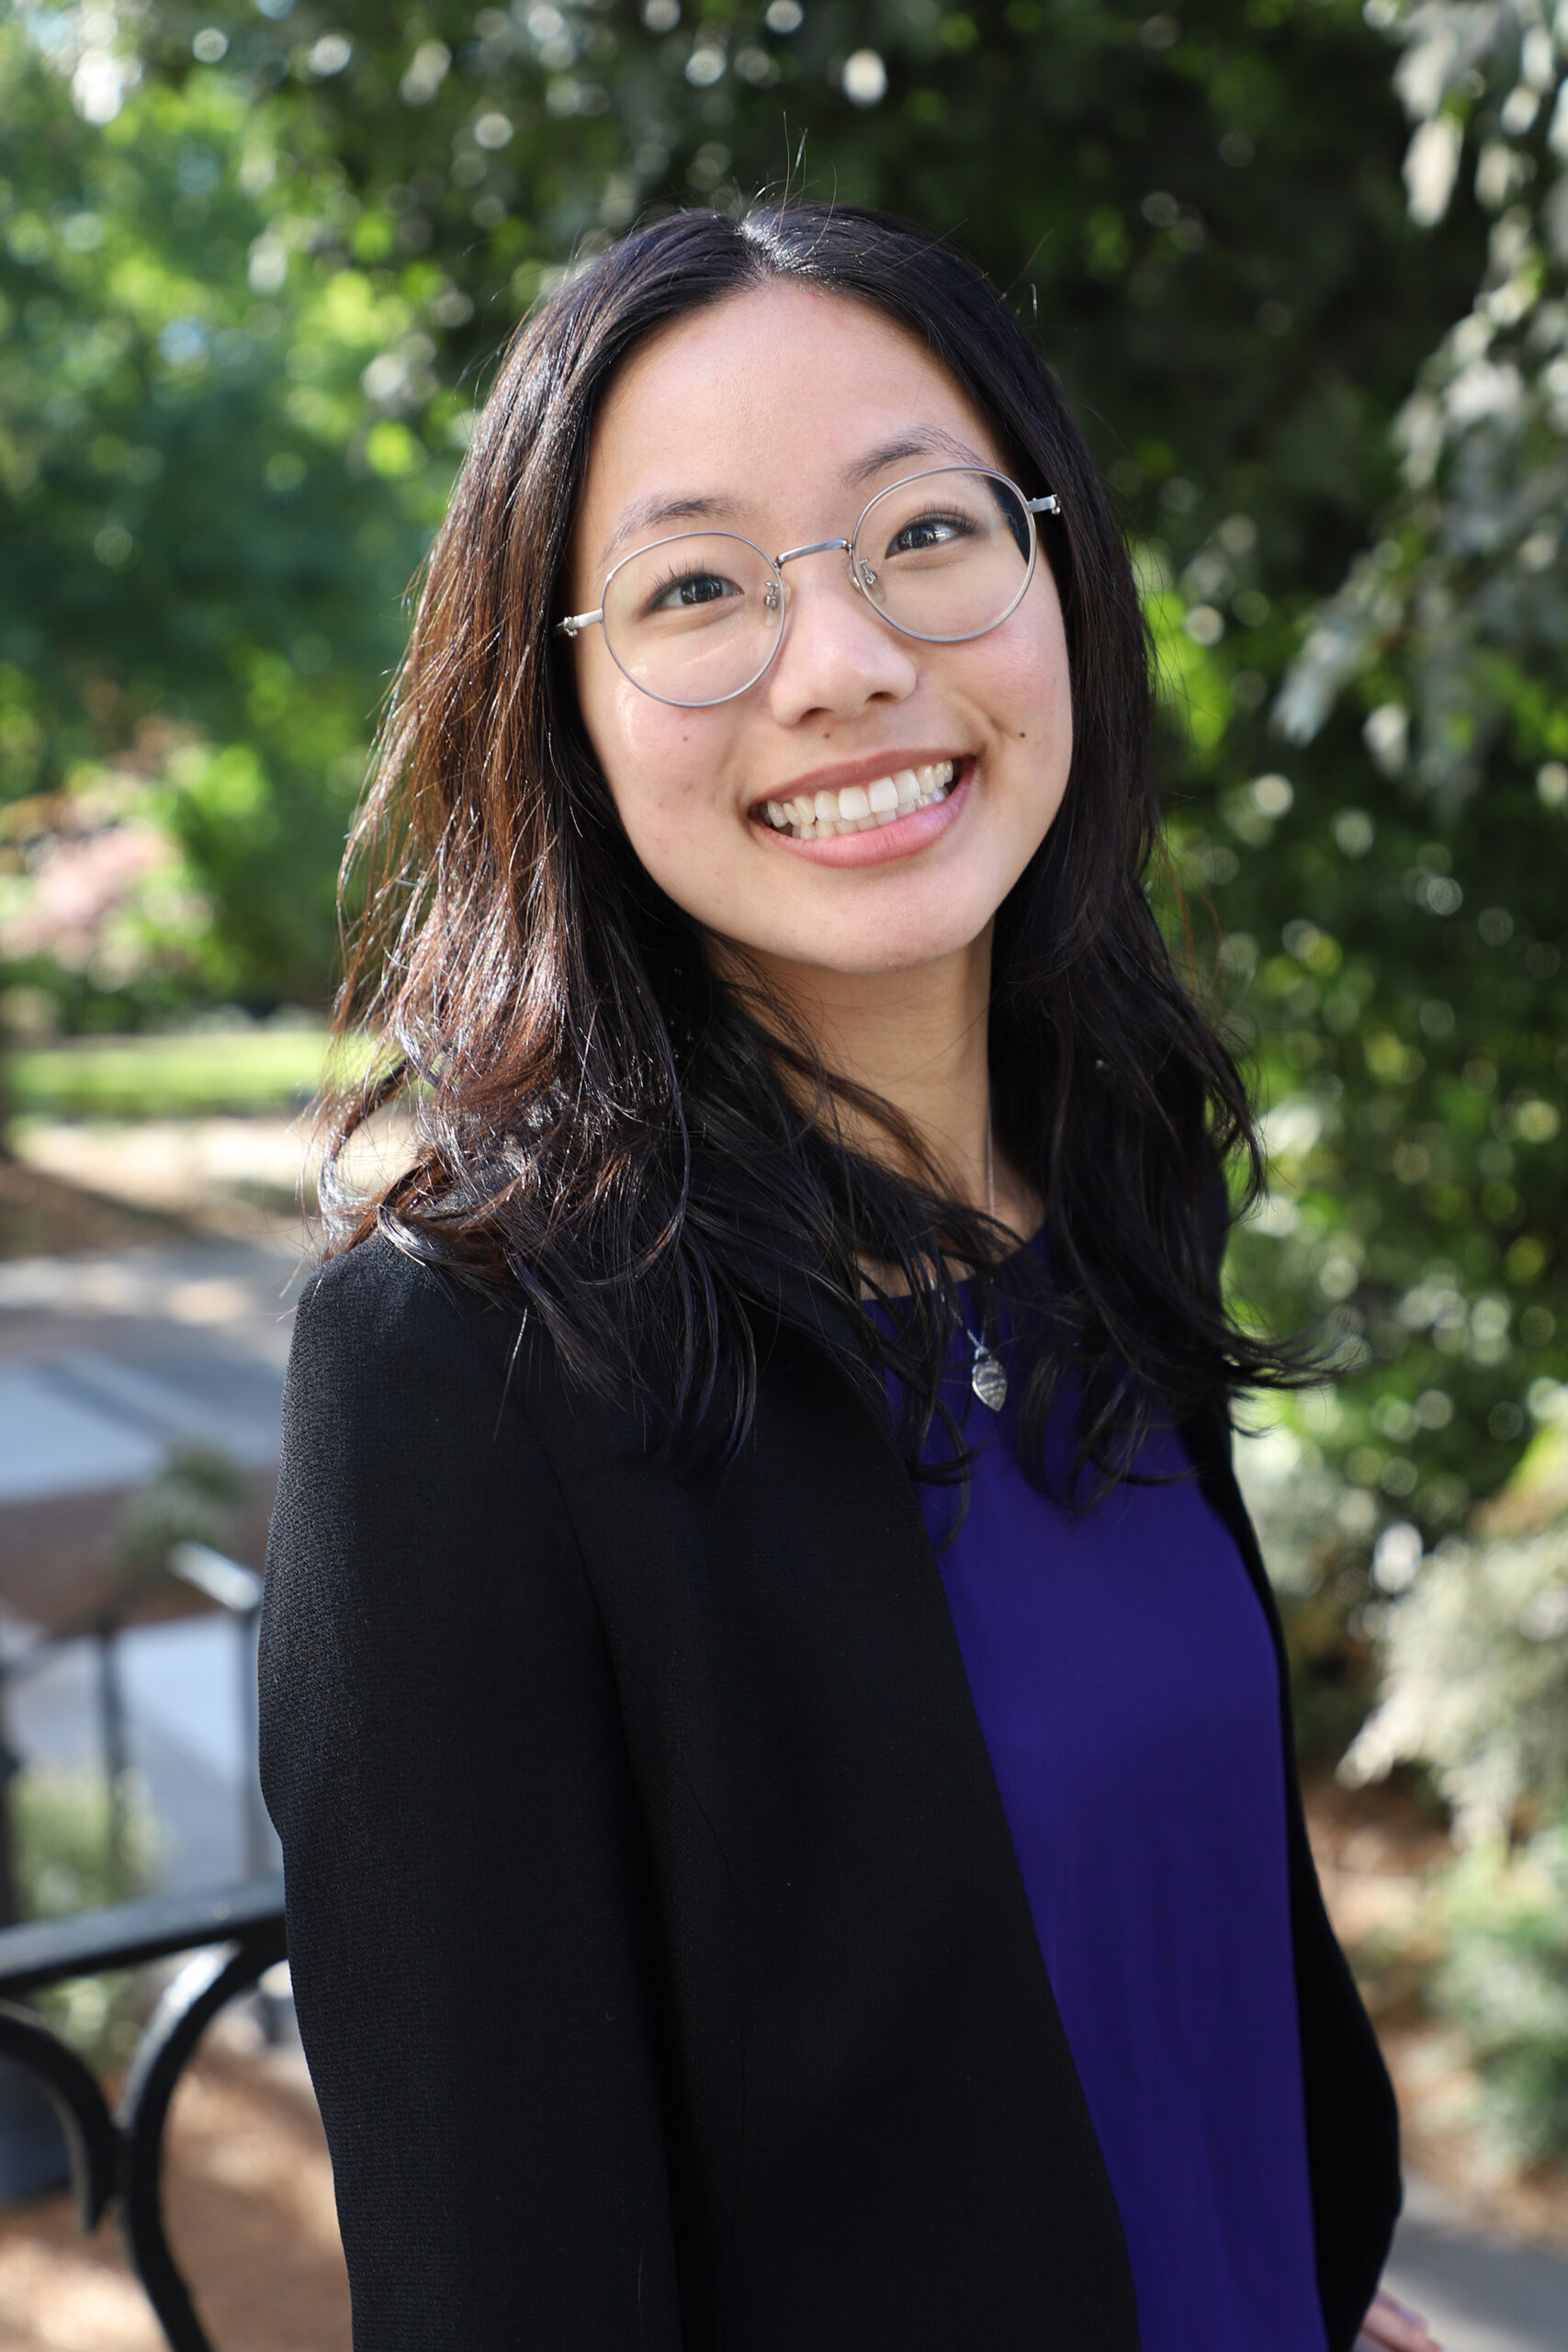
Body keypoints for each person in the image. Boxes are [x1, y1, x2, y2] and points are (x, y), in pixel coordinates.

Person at [259, 203, 1442, 2352]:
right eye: (695, 586)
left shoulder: (1092, 1206)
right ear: (561, 708)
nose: (842, 661)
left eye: (920, 533)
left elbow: (1162, 1944)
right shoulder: (455, 1371)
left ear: (1053, 571)